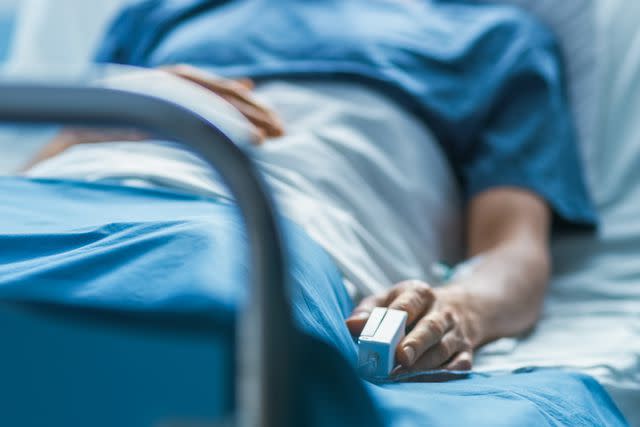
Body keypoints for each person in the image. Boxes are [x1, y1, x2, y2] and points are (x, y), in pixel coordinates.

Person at [24, 0, 596, 375]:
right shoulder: (162, 11)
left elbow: (513, 248)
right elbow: (33, 165)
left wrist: (459, 309)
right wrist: (107, 114)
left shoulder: (495, 38)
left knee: (184, 328)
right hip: (53, 199)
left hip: (263, 222)